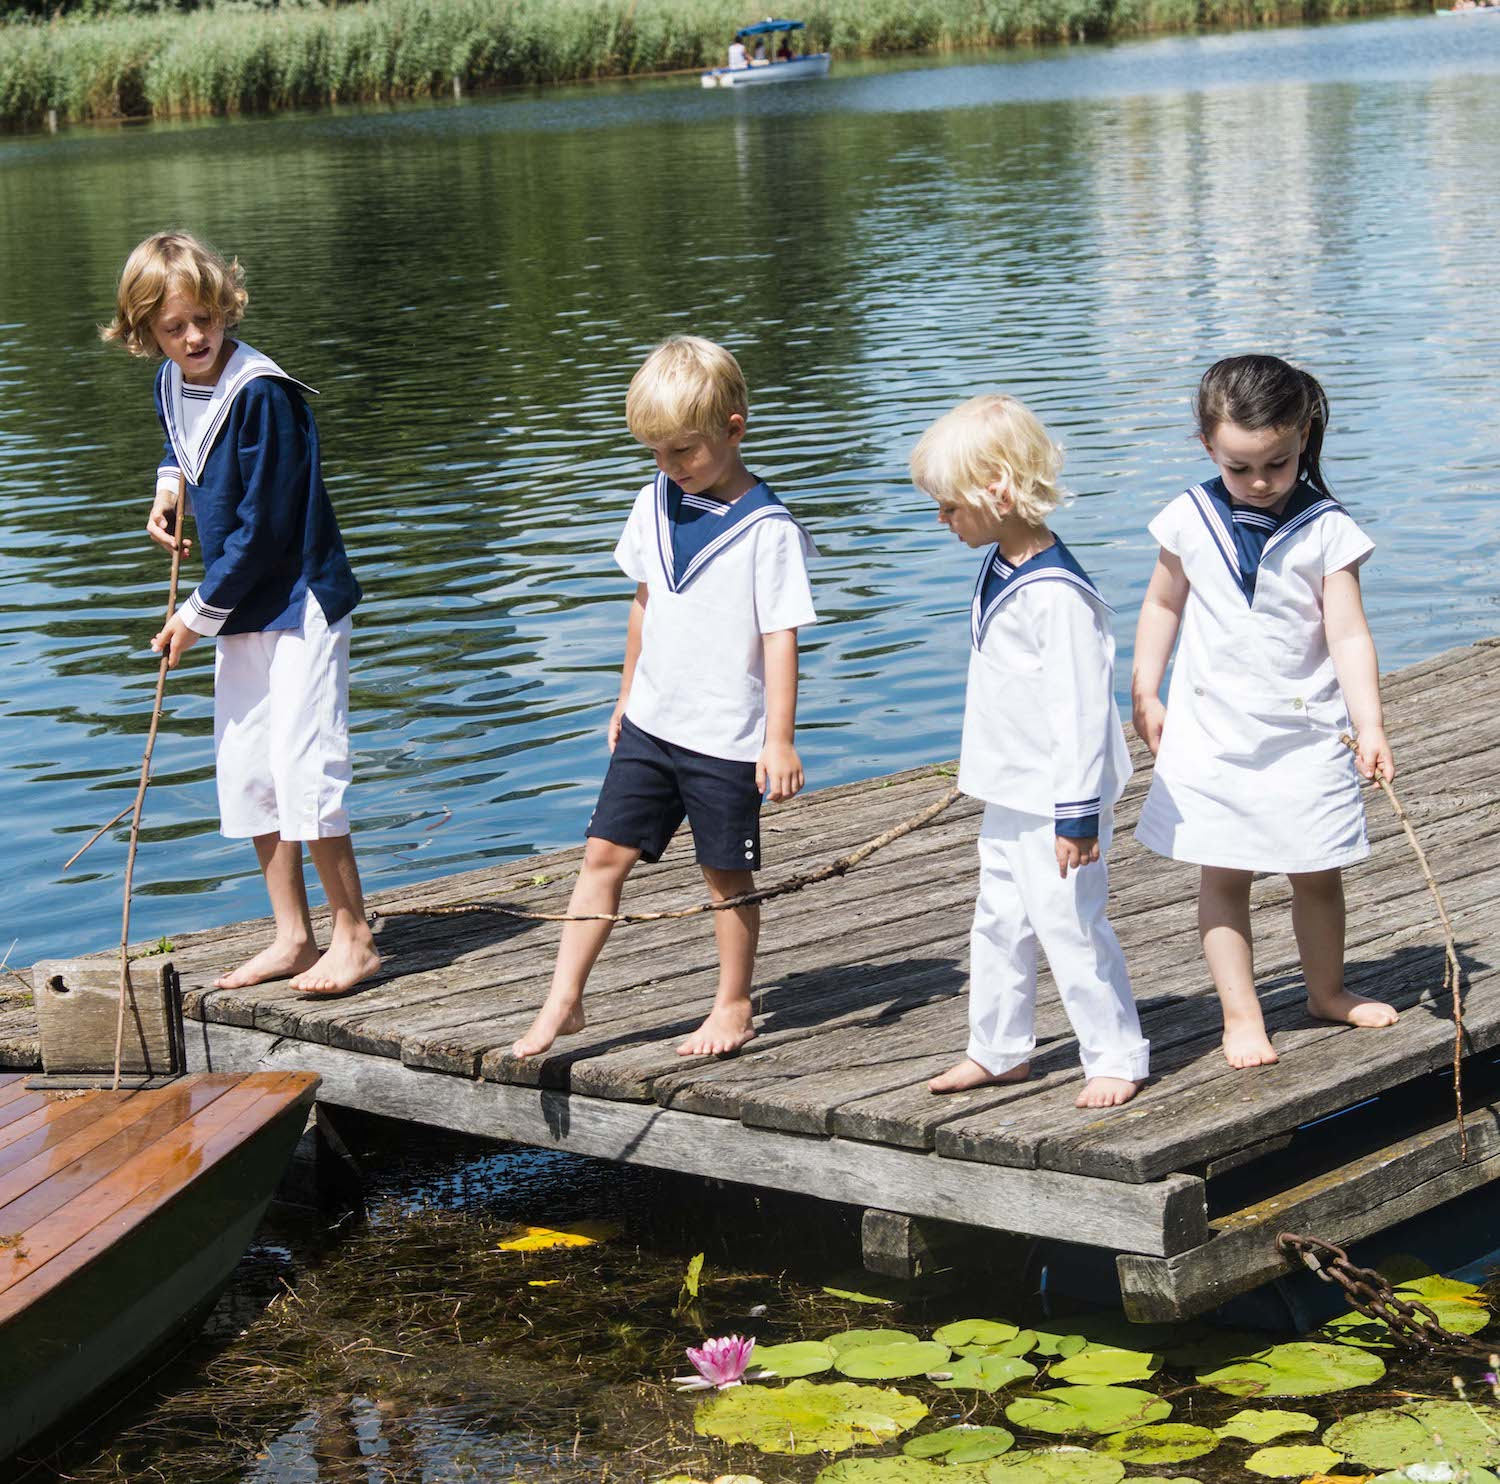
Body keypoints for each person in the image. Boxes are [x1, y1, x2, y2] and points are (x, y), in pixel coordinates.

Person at [512, 336, 817, 1061]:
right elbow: (644, 604)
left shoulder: (768, 532)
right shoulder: (653, 501)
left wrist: (779, 739)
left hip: (724, 737)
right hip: (651, 725)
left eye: (683, 451)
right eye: (654, 452)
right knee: (600, 858)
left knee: (725, 876)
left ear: (733, 428)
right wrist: (624, 698)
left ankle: (733, 1002)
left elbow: (781, 639)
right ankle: (565, 998)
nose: (669, 467)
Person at [103, 231, 381, 998]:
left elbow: (262, 531)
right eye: (174, 327)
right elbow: (183, 441)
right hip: (242, 609)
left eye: (206, 319)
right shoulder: (172, 381)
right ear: (145, 333)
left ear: (225, 306)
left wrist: (193, 615)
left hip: (299, 602)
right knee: (250, 767)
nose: (195, 337)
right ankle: (294, 935)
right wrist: (167, 487)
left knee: (304, 767)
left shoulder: (262, 393)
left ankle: (353, 936)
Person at [1132, 354, 1398, 1070]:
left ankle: (1326, 991)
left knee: (1318, 870)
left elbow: (1347, 634)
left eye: (1276, 465)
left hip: (1308, 730)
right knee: (1225, 874)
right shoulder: (1187, 517)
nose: (1258, 482)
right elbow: (1162, 604)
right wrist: (1145, 688)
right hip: (1213, 733)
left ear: (1303, 439)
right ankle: (1242, 1016)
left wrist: (1369, 724)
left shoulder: (1327, 529)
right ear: (1207, 447)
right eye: (1239, 467)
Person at [912, 396, 1149, 1109]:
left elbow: (1078, 710)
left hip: (1058, 798)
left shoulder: (1058, 596)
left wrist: (1079, 813)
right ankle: (998, 1047)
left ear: (999, 491)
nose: (942, 519)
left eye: (949, 506)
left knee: (1069, 923)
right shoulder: (1001, 564)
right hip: (1011, 789)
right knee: (999, 919)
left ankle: (1116, 1052)